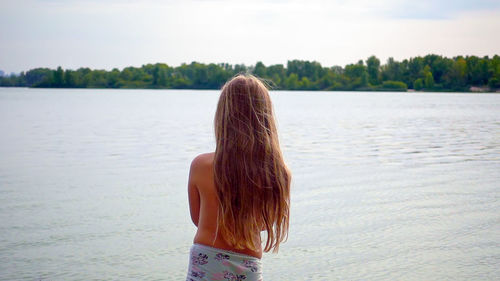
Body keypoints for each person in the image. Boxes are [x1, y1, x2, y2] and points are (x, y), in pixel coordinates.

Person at [186, 74, 291, 281]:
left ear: (223, 115)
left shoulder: (201, 165)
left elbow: (197, 219)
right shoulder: (278, 172)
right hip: (248, 265)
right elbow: (263, 223)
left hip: (206, 263)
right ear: (265, 116)